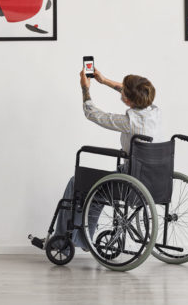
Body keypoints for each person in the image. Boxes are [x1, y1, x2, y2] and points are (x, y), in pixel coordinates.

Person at [53, 67, 161, 250]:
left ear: (128, 100)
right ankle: (83, 239)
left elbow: (93, 114)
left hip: (130, 180)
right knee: (97, 194)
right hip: (152, 177)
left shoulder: (129, 122)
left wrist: (85, 89)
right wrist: (104, 81)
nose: (122, 90)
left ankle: (62, 241)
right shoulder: (153, 110)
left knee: (77, 182)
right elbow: (130, 93)